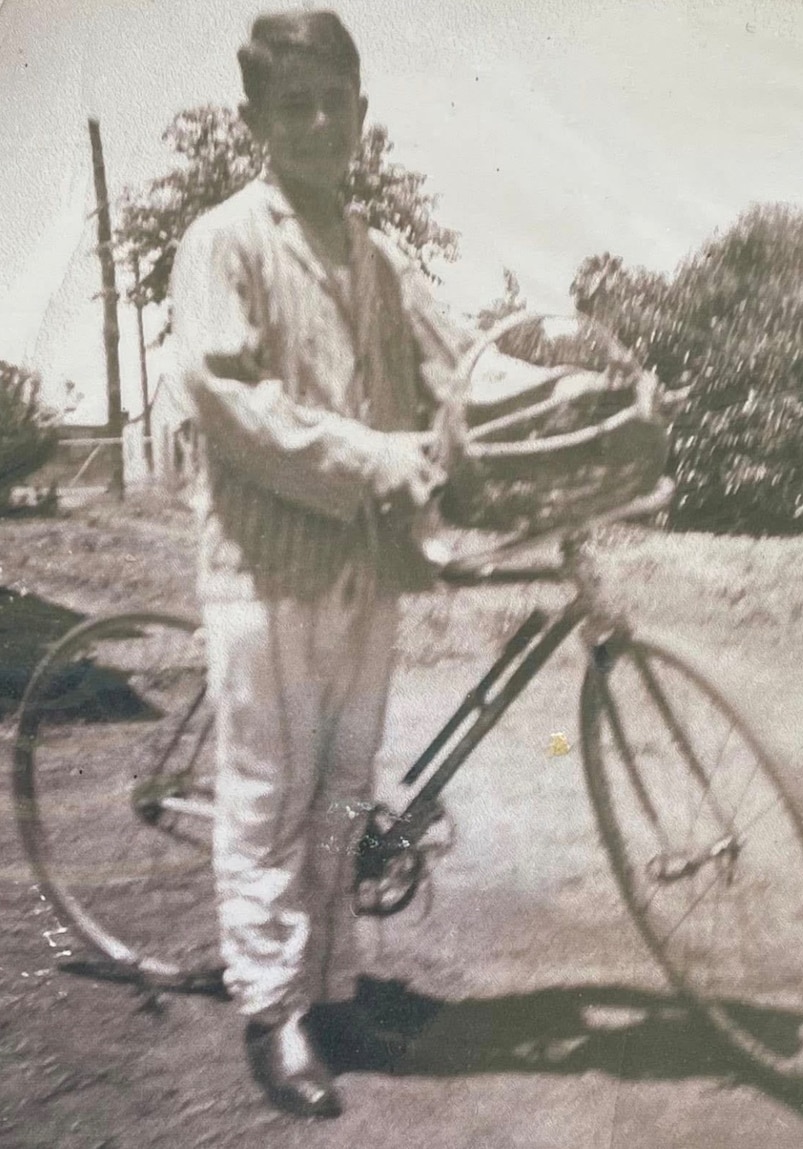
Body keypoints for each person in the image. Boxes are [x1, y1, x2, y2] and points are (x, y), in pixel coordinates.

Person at [170, 8, 471, 1119]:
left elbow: (463, 367)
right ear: (253, 120)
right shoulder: (223, 241)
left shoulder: (379, 254)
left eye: (330, 99)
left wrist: (574, 388)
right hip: (265, 563)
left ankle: (335, 991)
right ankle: (272, 1013)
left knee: (345, 790)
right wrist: (377, 456)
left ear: (359, 112)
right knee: (268, 795)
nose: (311, 120)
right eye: (287, 103)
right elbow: (230, 401)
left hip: (363, 566)